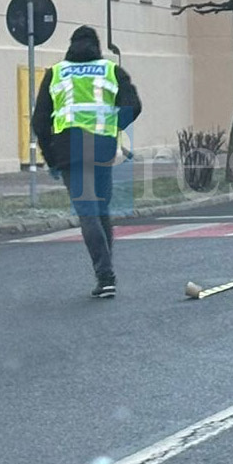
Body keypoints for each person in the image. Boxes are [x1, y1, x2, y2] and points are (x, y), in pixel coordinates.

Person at [32, 26, 142, 298]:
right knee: (101, 210)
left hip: (69, 149)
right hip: (102, 147)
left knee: (87, 213)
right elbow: (133, 105)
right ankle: (107, 273)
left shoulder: (56, 73)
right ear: (97, 45)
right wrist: (114, 126)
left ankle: (105, 276)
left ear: (71, 45)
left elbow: (39, 122)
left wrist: (51, 159)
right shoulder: (111, 70)